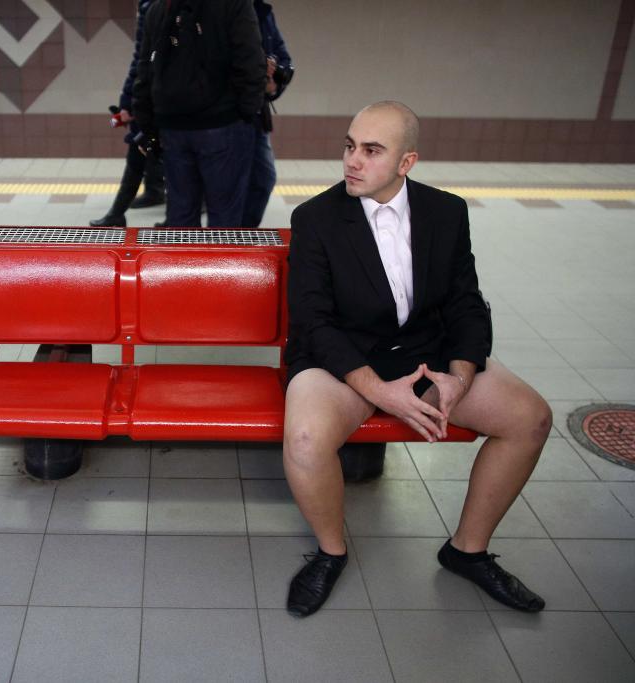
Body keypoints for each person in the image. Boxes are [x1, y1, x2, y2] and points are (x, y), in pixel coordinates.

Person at [283, 101, 552, 617]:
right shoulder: (315, 218)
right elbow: (314, 324)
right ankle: (330, 552)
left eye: (371, 150)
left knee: (530, 417)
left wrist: (459, 376)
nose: (351, 162)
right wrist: (378, 391)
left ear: (407, 163)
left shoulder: (446, 212)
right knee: (305, 438)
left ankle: (467, 551)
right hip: (344, 362)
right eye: (348, 145)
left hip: (425, 358)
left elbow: (466, 303)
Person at [133, 0, 266, 227]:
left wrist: (148, 125)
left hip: (171, 127)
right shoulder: (234, 5)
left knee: (181, 214)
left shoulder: (158, 8)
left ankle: (184, 261)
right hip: (223, 124)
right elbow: (251, 61)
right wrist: (247, 112)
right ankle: (219, 262)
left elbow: (144, 70)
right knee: (224, 217)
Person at [90, 0, 165, 228]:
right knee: (144, 150)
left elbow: (141, 62)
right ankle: (122, 211)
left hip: (158, 98)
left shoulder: (152, 10)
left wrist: (129, 104)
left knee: (148, 150)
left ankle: (119, 213)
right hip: (166, 96)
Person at [242, 0, 292, 228]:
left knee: (263, 179)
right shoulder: (218, 10)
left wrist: (273, 82)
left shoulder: (263, 12)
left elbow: (284, 58)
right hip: (225, 115)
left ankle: (242, 237)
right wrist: (255, 69)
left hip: (256, 114)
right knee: (226, 187)